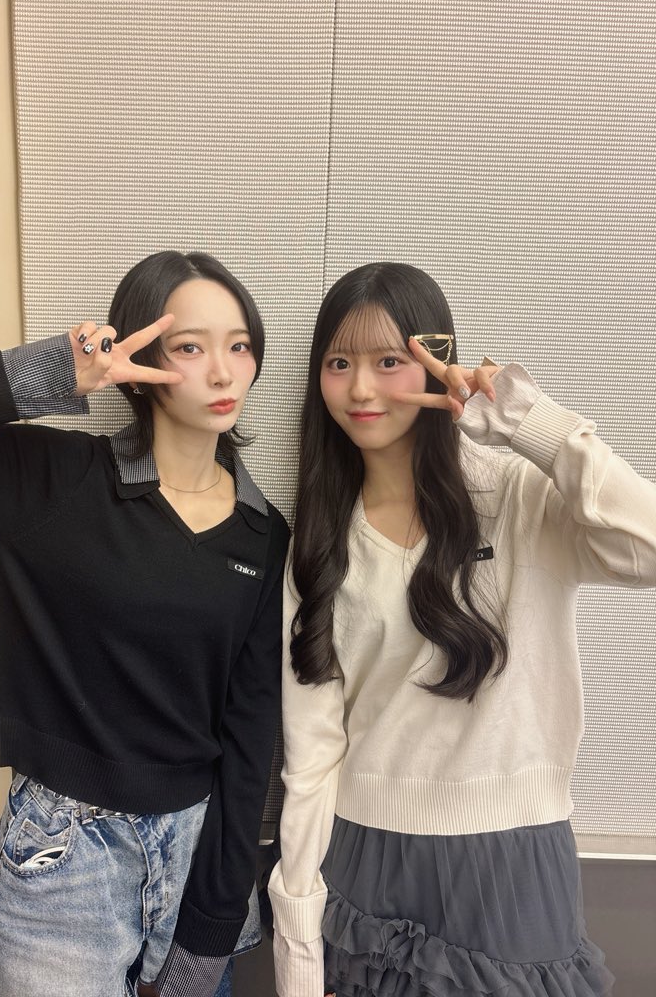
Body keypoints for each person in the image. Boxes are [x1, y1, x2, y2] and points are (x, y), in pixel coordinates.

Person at [0, 250, 290, 997]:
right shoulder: (54, 480)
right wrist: (48, 373)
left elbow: (250, 737)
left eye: (239, 346)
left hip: (196, 858)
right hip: (61, 860)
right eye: (190, 347)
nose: (223, 372)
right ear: (143, 358)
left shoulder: (262, 534)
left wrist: (209, 933)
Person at [268, 261, 656, 997]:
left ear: (435, 359)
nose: (361, 389)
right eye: (339, 363)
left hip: (509, 858)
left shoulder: (519, 497)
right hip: (363, 855)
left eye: (389, 361)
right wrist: (297, 945)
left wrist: (521, 420)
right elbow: (312, 751)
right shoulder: (320, 540)